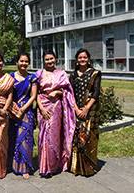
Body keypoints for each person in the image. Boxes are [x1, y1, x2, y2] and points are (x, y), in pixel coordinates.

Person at [36, 50, 77, 178]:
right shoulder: (39, 74)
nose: (49, 61)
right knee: (43, 135)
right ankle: (44, 167)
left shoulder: (62, 74)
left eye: (51, 59)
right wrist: (41, 108)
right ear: (43, 60)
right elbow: (35, 93)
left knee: (54, 135)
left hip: (56, 107)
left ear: (56, 59)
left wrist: (58, 93)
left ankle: (54, 165)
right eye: (47, 59)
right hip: (43, 106)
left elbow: (68, 92)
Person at [69, 48, 102, 176]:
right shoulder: (73, 75)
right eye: (80, 57)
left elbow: (96, 92)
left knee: (89, 137)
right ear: (77, 60)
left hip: (90, 111)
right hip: (76, 110)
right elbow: (70, 94)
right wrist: (76, 109)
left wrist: (86, 108)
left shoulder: (95, 73)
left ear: (88, 59)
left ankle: (89, 167)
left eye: (85, 57)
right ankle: (76, 167)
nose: (82, 59)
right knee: (76, 138)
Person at [8, 53, 37, 179]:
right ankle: (13, 165)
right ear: (17, 62)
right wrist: (14, 107)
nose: (24, 63)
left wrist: (23, 109)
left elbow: (33, 96)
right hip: (13, 111)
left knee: (25, 139)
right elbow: (7, 94)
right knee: (13, 138)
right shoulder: (10, 77)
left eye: (26, 61)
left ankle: (24, 167)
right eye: (21, 61)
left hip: (27, 112)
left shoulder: (32, 78)